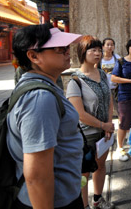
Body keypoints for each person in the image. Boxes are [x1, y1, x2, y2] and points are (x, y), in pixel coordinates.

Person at [7, 24, 84, 209]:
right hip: (54, 201)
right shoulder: (39, 99)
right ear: (33, 56)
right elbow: (37, 176)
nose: (68, 52)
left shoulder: (44, 86)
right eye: (60, 49)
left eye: (67, 47)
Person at [66, 36, 115, 209]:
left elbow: (109, 100)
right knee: (84, 173)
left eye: (99, 50)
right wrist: (103, 125)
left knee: (101, 167)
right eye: (92, 50)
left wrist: (108, 124)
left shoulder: (102, 74)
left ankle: (97, 199)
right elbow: (80, 114)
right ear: (83, 53)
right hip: (86, 135)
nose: (97, 53)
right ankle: (84, 205)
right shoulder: (75, 81)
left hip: (104, 132)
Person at [100, 38, 121, 117]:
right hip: (103, 89)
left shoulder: (117, 58)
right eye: (107, 45)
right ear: (103, 46)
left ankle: (121, 127)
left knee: (120, 110)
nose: (110, 47)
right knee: (105, 111)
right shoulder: (99, 59)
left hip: (116, 89)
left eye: (112, 45)